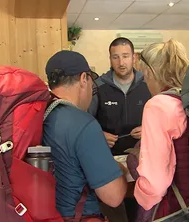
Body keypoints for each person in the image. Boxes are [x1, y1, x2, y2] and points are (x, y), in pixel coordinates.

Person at [42, 50, 127, 221]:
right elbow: (113, 196)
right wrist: (121, 171)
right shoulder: (84, 123)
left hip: (47, 214)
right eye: (91, 81)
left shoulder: (42, 114)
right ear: (83, 79)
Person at [128, 39, 189, 220]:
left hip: (171, 207)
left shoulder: (158, 105)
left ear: (151, 72)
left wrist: (140, 197)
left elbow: (155, 184)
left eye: (144, 73)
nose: (144, 79)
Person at [89, 37, 151, 156]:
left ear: (134, 58)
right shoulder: (98, 86)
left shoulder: (148, 83)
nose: (121, 63)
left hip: (143, 155)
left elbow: (161, 120)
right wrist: (98, 134)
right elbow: (85, 121)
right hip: (108, 157)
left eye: (125, 56)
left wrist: (148, 129)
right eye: (115, 57)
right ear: (110, 59)